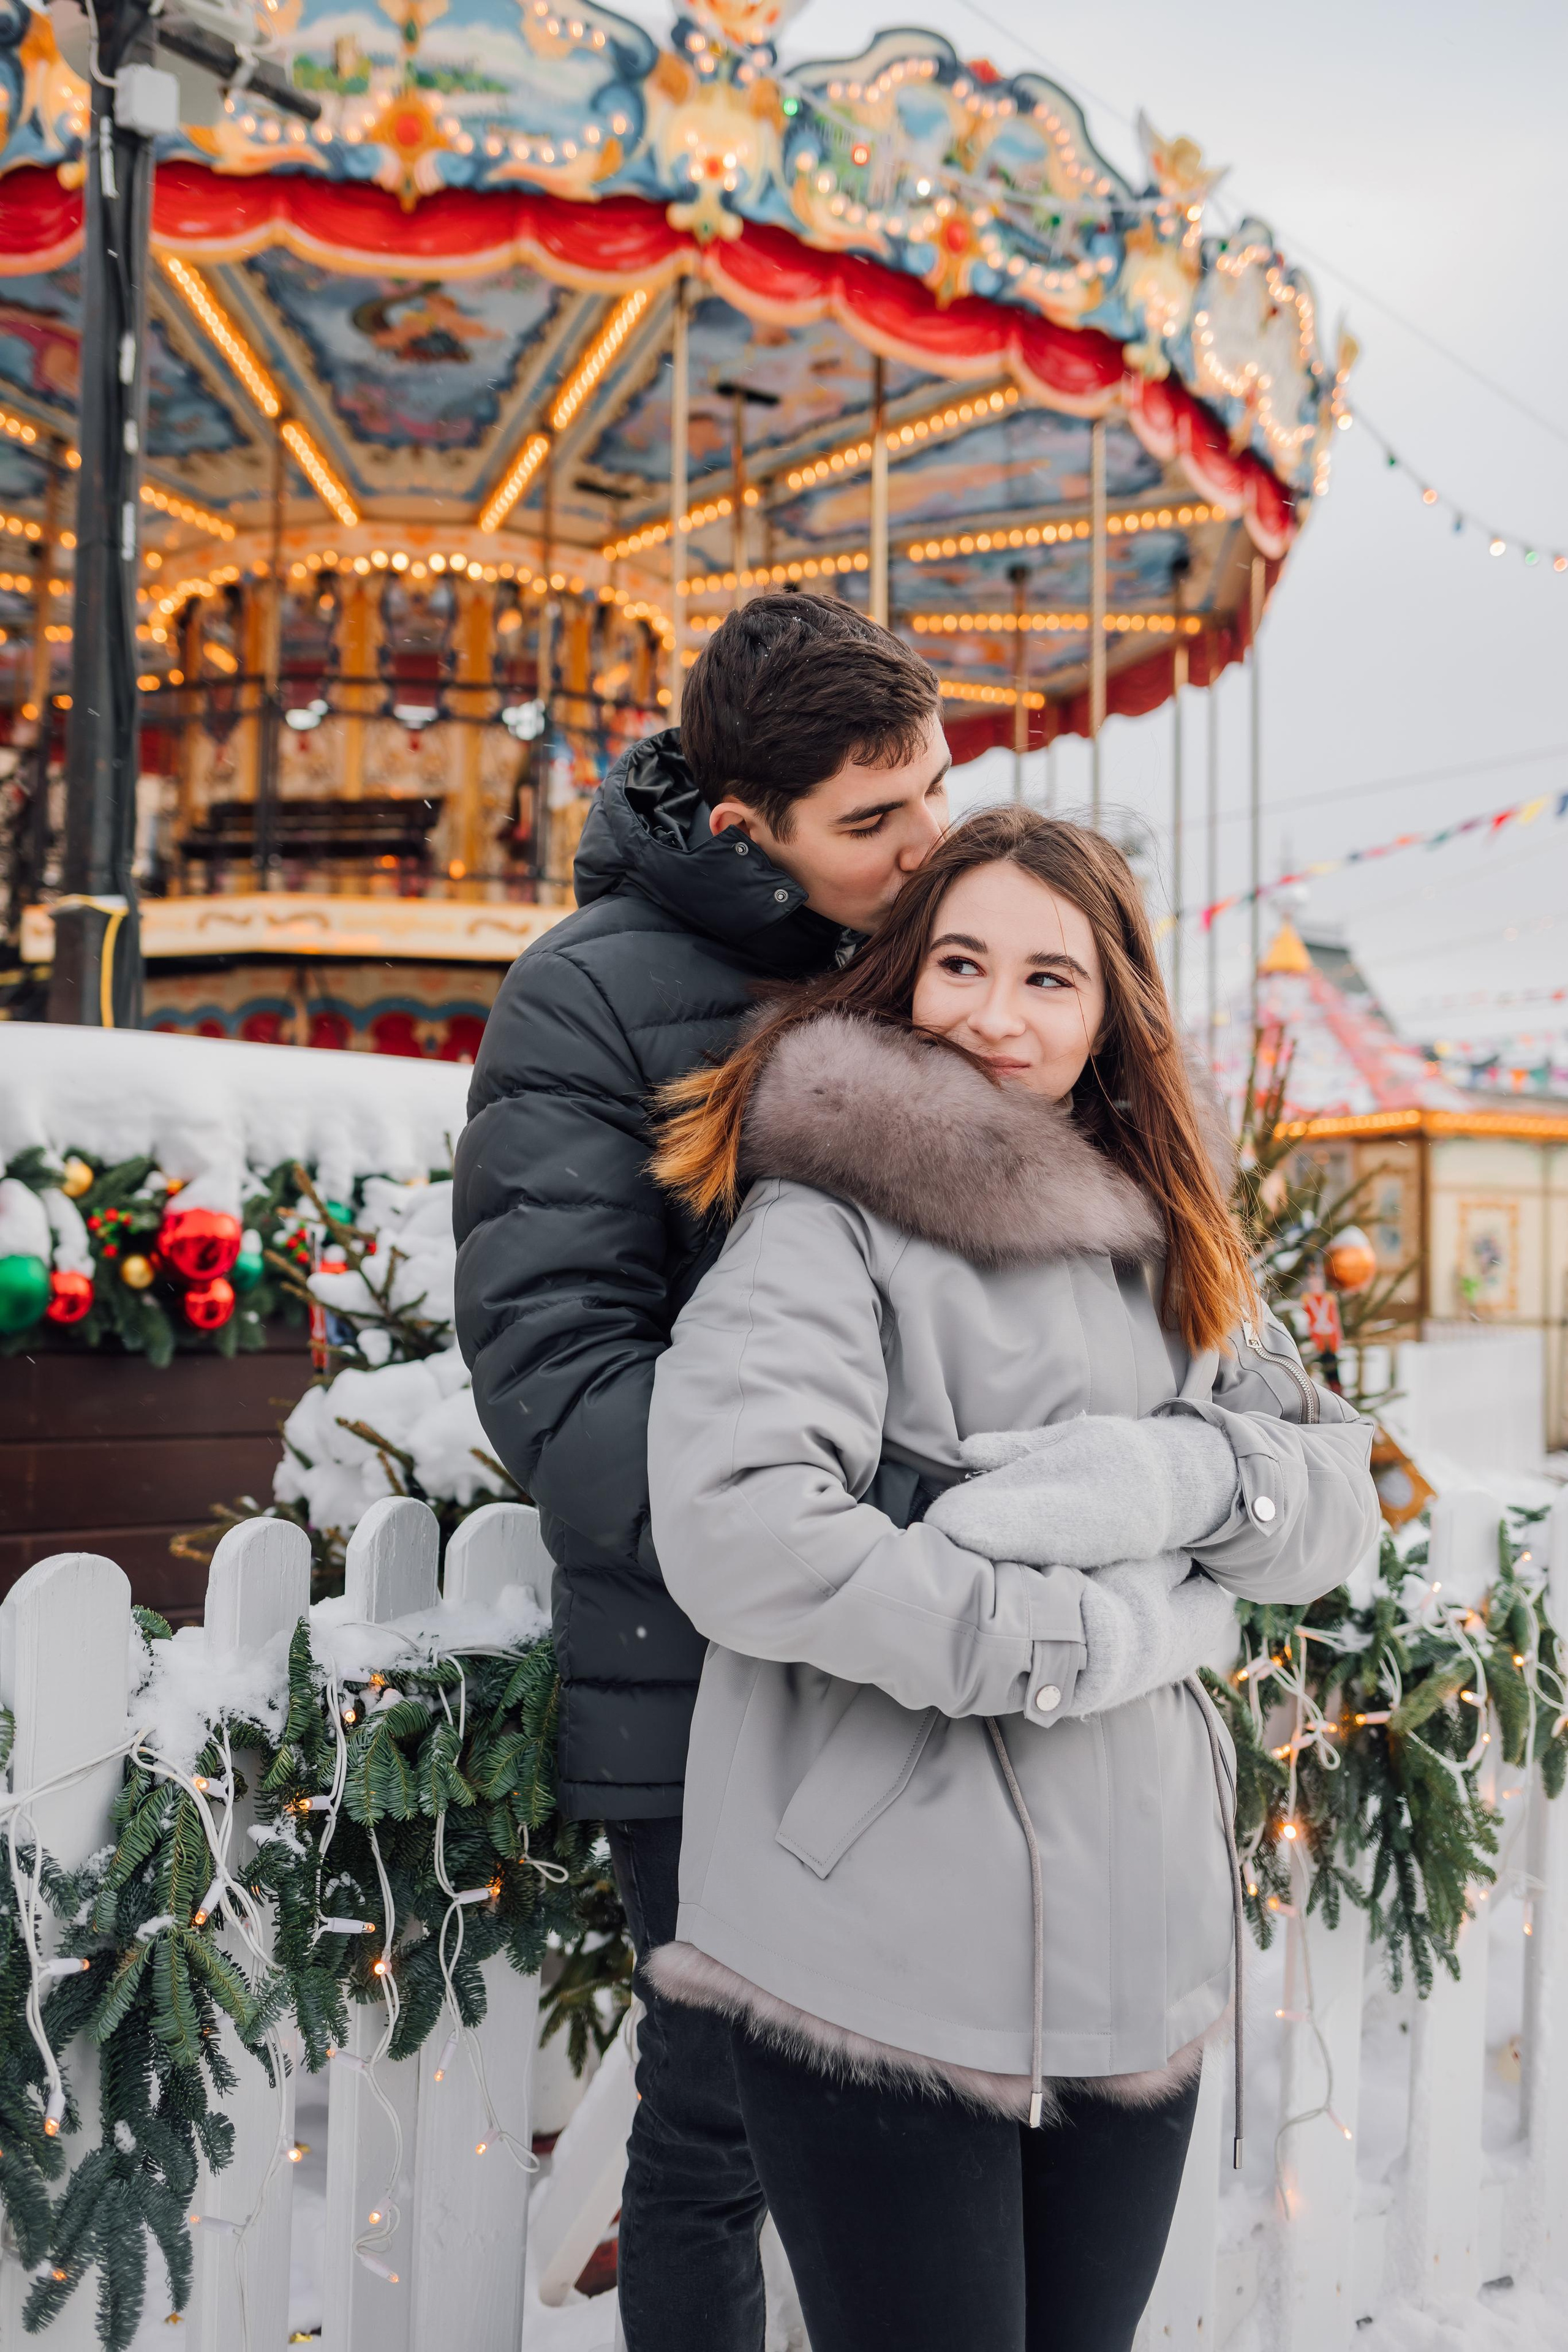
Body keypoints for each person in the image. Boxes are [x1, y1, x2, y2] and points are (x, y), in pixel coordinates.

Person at [644, 806, 1380, 2352]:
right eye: (960, 963)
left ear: (1109, 1014)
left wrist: (1184, 1479)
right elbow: (744, 1526)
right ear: (904, 974)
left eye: (1049, 979)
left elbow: (1331, 1505)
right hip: (875, 1938)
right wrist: (1067, 1642)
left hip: (1134, 1938)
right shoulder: (824, 1218)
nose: (994, 1014)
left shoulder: (1164, 1233)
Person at [452, 594, 951, 2350]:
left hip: (939, 1625)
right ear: (747, 827)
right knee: (720, 2116)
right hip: (710, 1659)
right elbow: (557, 1367)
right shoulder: (587, 998)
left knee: (936, 2085)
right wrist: (811, 1553)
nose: (926, 843)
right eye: (874, 818)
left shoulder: (931, 960)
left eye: (936, 792)